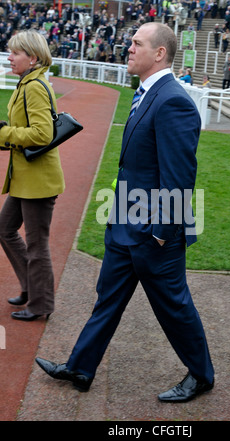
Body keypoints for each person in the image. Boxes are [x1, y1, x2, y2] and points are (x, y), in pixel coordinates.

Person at [35, 22, 215, 402]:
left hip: (154, 233)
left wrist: (162, 232)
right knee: (108, 298)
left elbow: (179, 178)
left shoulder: (172, 100)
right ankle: (81, 367)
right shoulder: (148, 93)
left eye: (137, 43)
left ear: (160, 53)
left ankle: (201, 376)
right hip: (125, 225)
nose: (128, 48)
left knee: (174, 307)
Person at [0, 30, 65, 321]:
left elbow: (42, 134)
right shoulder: (26, 83)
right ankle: (31, 287)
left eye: (15, 53)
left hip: (38, 182)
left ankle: (41, 305)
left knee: (37, 244)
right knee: (4, 229)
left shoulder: (34, 86)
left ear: (33, 58)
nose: (10, 57)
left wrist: (3, 133)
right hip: (25, 180)